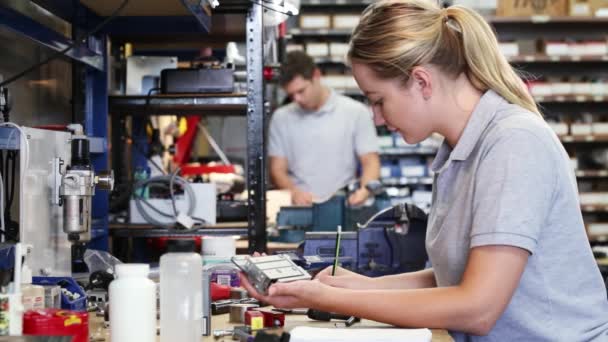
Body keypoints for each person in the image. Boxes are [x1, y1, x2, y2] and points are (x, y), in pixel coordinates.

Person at [241, 1, 608, 340]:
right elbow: (454, 278)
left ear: (421, 81)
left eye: (378, 100)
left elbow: (477, 307)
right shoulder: (460, 149)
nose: (378, 118)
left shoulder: (513, 143)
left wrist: (327, 299)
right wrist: (349, 286)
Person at [268, 51, 380, 206]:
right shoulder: (281, 118)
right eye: (292, 95)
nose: (297, 99)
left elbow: (370, 161)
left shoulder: (355, 112)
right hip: (300, 208)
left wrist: (365, 190)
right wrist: (293, 192)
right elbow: (277, 169)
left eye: (301, 91)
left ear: (316, 75)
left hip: (344, 204)